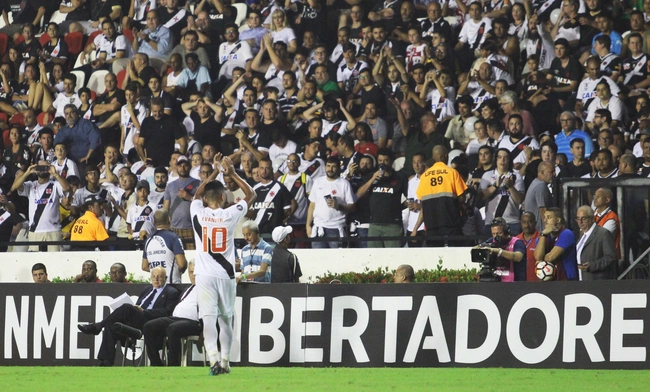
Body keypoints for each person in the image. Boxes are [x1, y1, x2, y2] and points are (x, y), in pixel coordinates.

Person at [191, 155, 256, 376]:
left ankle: (213, 362)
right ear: (222, 196)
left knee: (208, 319)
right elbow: (252, 195)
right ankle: (226, 362)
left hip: (204, 274)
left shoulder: (197, 214)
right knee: (226, 319)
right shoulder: (230, 213)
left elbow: (196, 195)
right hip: (226, 274)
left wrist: (215, 172)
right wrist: (232, 173)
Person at [78, 267, 180, 366]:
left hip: (153, 323)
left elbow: (167, 312)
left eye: (160, 277)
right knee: (112, 324)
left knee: (127, 307)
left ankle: (98, 326)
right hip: (137, 320)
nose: (156, 279)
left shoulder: (171, 292)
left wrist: (145, 311)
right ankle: (106, 362)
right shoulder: (147, 290)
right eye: (154, 277)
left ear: (165, 278)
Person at [143, 262, 201, 367]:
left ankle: (173, 365)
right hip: (175, 318)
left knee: (173, 328)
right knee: (149, 326)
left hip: (194, 322)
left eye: (196, 272)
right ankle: (156, 363)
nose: (193, 275)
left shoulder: (208, 288)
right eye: (191, 272)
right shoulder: (188, 289)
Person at [413, 146, 468, 246]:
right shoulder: (452, 173)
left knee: (435, 257)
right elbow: (462, 198)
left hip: (431, 225)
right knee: (455, 254)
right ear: (446, 156)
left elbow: (423, 204)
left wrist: (416, 228)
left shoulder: (424, 177)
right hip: (451, 223)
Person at [11, 162, 71, 252]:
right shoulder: (31, 185)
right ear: (35, 169)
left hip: (53, 231)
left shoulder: (55, 185)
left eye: (45, 167)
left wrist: (56, 174)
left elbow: (67, 188)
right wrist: (28, 172)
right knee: (36, 261)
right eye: (40, 167)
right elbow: (16, 186)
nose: (42, 169)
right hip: (35, 231)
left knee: (55, 261)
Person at [355, 148, 408, 248]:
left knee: (393, 257)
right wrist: (372, 179)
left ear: (391, 161)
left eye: (385, 160)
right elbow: (358, 194)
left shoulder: (400, 177)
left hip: (393, 225)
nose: (382, 163)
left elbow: (409, 197)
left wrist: (398, 207)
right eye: (380, 161)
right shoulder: (371, 176)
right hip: (374, 224)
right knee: (374, 258)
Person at [306, 157, 356, 248]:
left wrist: (338, 206)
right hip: (318, 227)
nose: (330, 169)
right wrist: (308, 225)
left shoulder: (344, 184)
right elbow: (312, 205)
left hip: (336, 228)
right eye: (328, 166)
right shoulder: (318, 182)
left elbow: (352, 207)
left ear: (338, 168)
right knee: (318, 260)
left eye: (333, 166)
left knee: (337, 260)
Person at [162, 155, 201, 250]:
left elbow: (203, 204)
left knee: (192, 257)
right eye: (180, 166)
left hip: (192, 227)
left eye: (185, 165)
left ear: (190, 166)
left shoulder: (198, 183)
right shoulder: (170, 185)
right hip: (174, 227)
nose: (182, 168)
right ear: (176, 167)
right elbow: (165, 208)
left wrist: (189, 197)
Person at [249, 158, 295, 234]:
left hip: (274, 232)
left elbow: (288, 209)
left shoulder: (280, 187)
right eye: (262, 168)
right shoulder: (255, 189)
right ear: (259, 169)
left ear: (271, 169)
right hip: (257, 232)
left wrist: (277, 219)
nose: (264, 171)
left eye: (267, 168)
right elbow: (252, 211)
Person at [137, 98, 188, 167]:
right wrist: (144, 159)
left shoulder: (171, 121)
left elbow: (184, 143)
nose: (157, 114)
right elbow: (139, 144)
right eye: (155, 111)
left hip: (167, 165)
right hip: (150, 165)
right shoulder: (146, 122)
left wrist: (178, 162)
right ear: (151, 110)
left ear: (164, 108)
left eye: (160, 111)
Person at [141, 209, 188, 284]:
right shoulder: (173, 237)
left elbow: (144, 266)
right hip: (172, 284)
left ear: (154, 222)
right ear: (169, 219)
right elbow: (182, 264)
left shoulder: (148, 240)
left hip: (155, 286)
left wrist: (158, 272)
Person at [534, 207, 578, 281]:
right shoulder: (544, 236)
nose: (545, 220)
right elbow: (538, 257)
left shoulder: (566, 234)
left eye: (549, 217)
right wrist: (543, 235)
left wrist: (542, 260)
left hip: (567, 279)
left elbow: (550, 257)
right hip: (551, 279)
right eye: (544, 217)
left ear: (558, 220)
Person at [575, 205, 617, 280]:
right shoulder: (582, 236)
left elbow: (611, 257)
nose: (580, 222)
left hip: (597, 283)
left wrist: (592, 266)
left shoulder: (603, 233)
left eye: (583, 218)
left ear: (592, 218)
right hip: (582, 281)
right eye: (578, 218)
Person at [478, 217, 526, 282]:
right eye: (493, 234)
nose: (496, 237)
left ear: (506, 231)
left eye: (499, 233)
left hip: (515, 282)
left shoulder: (517, 242)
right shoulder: (491, 241)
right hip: (496, 281)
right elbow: (475, 248)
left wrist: (498, 251)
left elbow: (518, 257)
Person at [523, 162, 554, 231]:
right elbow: (543, 210)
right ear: (542, 172)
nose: (553, 174)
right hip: (540, 230)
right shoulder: (540, 186)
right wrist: (548, 229)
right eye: (551, 172)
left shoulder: (535, 183)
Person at [515, 212, 541, 282]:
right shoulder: (516, 240)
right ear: (521, 223)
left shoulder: (541, 238)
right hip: (520, 282)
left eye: (530, 222)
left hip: (537, 281)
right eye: (524, 222)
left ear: (535, 223)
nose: (526, 225)